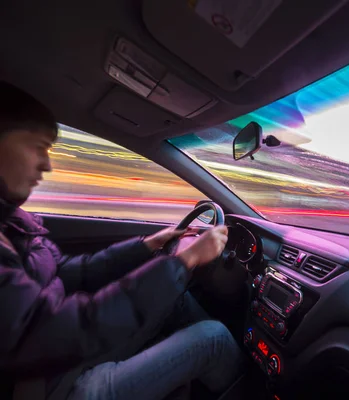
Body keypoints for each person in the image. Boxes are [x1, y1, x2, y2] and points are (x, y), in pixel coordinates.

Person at [0, 81, 243, 400]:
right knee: (214, 339)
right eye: (37, 147)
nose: (47, 164)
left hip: (60, 360)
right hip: (48, 387)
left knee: (175, 299)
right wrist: (183, 261)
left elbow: (72, 272)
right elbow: (47, 333)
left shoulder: (13, 224)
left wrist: (146, 246)